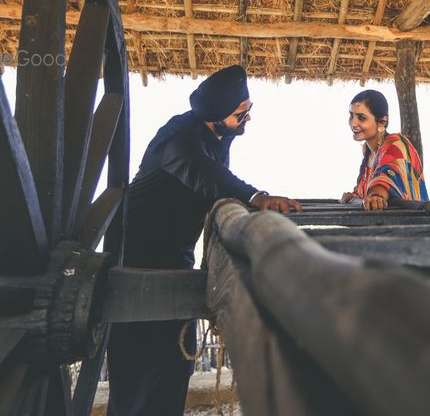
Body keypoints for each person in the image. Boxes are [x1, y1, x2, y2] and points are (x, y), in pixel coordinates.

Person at [106, 65, 301, 416]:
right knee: (136, 360)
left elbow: (216, 177)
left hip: (176, 254)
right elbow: (206, 176)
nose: (247, 119)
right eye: (242, 113)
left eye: (248, 110)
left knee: (176, 358)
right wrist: (257, 198)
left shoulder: (217, 136)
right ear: (216, 117)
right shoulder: (178, 136)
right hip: (137, 254)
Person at [341, 89, 428, 210]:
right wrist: (355, 196)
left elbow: (385, 178)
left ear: (382, 121)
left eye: (361, 118)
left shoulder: (396, 144)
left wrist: (376, 196)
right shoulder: (368, 151)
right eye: (351, 115)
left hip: (411, 225)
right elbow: (367, 192)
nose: (353, 123)